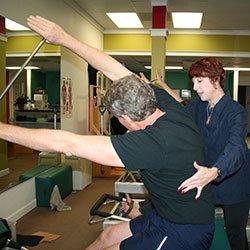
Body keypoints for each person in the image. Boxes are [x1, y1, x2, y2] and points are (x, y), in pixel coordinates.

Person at [0, 16, 216, 249]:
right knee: (106, 237)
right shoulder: (166, 107)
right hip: (166, 213)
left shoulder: (150, 143)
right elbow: (113, 69)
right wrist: (62, 38)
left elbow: (67, 143)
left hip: (185, 229)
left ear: (125, 119)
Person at [154, 58, 250, 250]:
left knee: (235, 231)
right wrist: (153, 89)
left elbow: (236, 149)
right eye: (193, 82)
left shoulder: (236, 112)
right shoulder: (199, 106)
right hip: (206, 178)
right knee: (201, 227)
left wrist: (215, 171)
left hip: (234, 181)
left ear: (215, 80)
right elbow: (179, 108)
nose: (195, 87)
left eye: (200, 81)